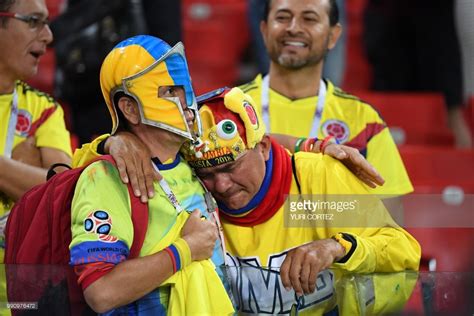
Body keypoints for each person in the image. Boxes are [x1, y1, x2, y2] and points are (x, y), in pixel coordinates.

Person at [179, 87, 420, 313]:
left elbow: (403, 251)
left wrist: (339, 247)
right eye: (206, 174)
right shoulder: (193, 194)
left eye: (232, 167)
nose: (221, 185)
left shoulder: (317, 177)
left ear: (263, 148)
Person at [69, 35, 233, 314]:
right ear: (130, 108)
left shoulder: (194, 155)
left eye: (185, 89)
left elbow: (257, 140)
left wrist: (316, 145)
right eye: (169, 92)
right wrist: (186, 249)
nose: (186, 101)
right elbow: (101, 292)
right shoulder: (107, 178)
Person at [239, 0, 413, 210]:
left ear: (333, 36)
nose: (293, 28)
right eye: (282, 18)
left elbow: (390, 226)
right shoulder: (230, 110)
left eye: (309, 19)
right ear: (264, 30)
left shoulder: (363, 119)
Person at [0, 0, 71, 255]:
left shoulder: (45, 109)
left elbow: (63, 194)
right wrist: (24, 173)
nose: (48, 36)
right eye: (33, 21)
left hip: (21, 290)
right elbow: (46, 185)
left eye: (47, 23)